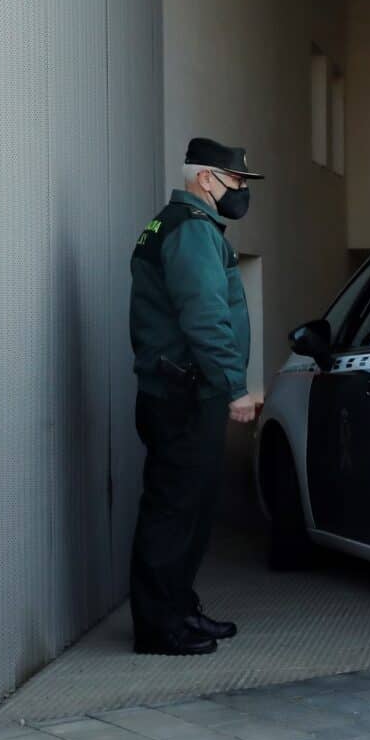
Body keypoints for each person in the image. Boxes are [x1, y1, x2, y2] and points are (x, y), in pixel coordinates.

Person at [126, 138, 261, 656]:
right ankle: (161, 627)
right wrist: (234, 387)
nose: (242, 191)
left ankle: (179, 609)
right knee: (175, 510)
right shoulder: (191, 232)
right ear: (207, 178)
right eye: (237, 181)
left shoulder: (176, 225)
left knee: (191, 508)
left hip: (178, 390)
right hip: (184, 393)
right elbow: (204, 317)